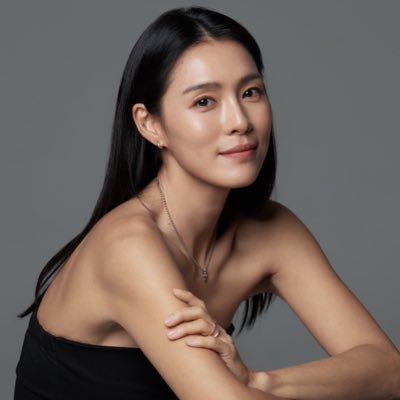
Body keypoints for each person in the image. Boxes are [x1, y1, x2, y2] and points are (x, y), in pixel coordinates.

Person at [14, 6, 400, 400]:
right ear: (150, 124)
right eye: (204, 101)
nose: (239, 121)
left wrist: (259, 382)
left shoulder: (272, 232)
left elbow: (389, 370)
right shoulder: (127, 246)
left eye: (250, 92)